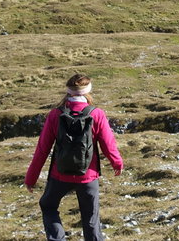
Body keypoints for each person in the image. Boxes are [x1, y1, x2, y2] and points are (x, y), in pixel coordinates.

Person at [25, 73, 124, 241]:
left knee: (48, 205)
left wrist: (31, 178)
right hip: (88, 176)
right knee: (91, 217)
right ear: (87, 91)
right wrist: (117, 163)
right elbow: (108, 144)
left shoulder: (55, 115)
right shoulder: (97, 114)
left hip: (59, 175)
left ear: (68, 92)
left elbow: (42, 150)